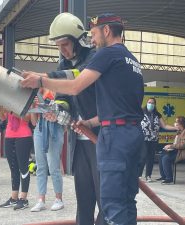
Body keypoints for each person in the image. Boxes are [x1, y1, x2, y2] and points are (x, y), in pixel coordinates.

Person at [21, 13, 144, 225]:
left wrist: (41, 80)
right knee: (122, 202)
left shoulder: (104, 54)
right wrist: (79, 118)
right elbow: (114, 107)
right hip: (120, 133)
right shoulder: (131, 60)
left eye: (94, 34)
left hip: (111, 138)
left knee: (111, 206)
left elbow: (77, 84)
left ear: (106, 31)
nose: (93, 40)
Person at [39, 12, 106, 225]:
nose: (62, 50)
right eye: (58, 46)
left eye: (65, 44)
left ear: (78, 40)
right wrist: (57, 110)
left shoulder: (95, 58)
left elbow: (78, 78)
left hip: (100, 138)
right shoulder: (64, 65)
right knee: (84, 199)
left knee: (106, 201)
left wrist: (45, 79)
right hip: (80, 142)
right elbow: (63, 97)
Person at [29, 88, 69, 212]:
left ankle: (59, 199)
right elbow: (34, 122)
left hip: (55, 129)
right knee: (40, 166)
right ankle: (41, 199)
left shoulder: (60, 93)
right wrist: (32, 105)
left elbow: (65, 121)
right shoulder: (38, 93)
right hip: (40, 129)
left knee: (53, 167)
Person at [0, 106, 34, 210]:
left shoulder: (26, 100)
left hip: (24, 136)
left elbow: (27, 118)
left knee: (23, 168)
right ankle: (14, 198)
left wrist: (11, 110)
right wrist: (0, 109)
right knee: (13, 168)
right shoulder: (7, 99)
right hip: (9, 135)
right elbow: (3, 118)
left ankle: (23, 199)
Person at [138, 97, 177, 182]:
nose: (150, 104)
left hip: (153, 139)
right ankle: (139, 176)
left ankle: (148, 176)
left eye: (152, 103)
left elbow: (164, 126)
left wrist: (175, 128)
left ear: (155, 105)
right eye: (149, 102)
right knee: (143, 156)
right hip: (143, 138)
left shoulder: (157, 114)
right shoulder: (141, 112)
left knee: (151, 158)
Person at [158, 116, 185, 184]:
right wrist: (169, 147)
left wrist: (171, 146)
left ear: (181, 124)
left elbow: (183, 145)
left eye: (176, 122)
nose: (175, 123)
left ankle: (169, 179)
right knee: (161, 156)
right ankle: (164, 176)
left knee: (166, 158)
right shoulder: (180, 131)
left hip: (182, 153)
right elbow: (176, 143)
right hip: (177, 151)